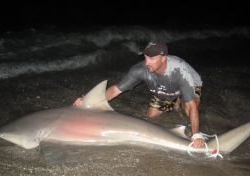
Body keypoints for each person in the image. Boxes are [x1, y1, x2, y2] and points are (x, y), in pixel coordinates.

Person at [74, 41, 205, 148]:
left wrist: (196, 135)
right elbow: (116, 89)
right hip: (164, 89)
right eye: (145, 57)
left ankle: (179, 101)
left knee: (188, 108)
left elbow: (192, 106)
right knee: (151, 115)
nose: (147, 62)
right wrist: (87, 100)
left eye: (152, 58)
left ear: (164, 57)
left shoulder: (179, 70)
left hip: (189, 84)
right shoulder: (140, 69)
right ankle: (173, 100)